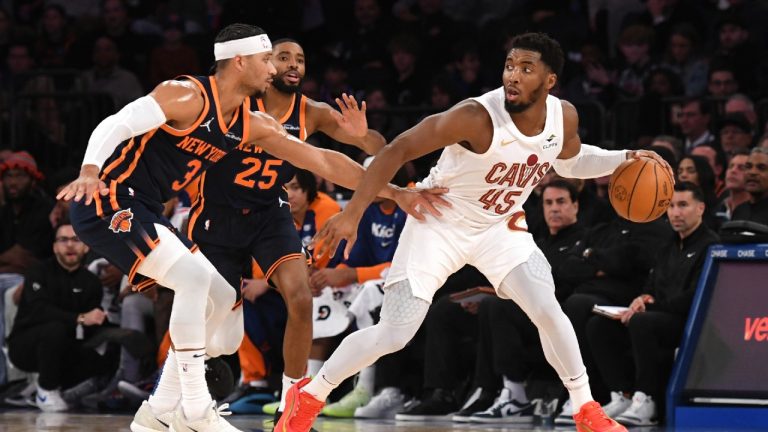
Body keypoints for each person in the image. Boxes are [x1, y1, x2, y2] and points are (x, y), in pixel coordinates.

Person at [278, 32, 673, 432]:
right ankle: (309, 396)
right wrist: (353, 212)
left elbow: (570, 161)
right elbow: (397, 149)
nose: (512, 75)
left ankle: (585, 407)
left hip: (499, 227)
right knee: (395, 333)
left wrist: (625, 158)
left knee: (547, 308)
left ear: (550, 80)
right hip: (439, 222)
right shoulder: (475, 116)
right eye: (509, 66)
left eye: (526, 68)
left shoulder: (563, 116)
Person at [59, 24, 442, 432]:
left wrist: (395, 192)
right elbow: (118, 122)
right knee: (193, 281)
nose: (274, 69)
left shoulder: (251, 123)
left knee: (223, 308)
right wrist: (89, 170)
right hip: (111, 197)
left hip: (161, 209)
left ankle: (157, 411)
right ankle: (194, 411)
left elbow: (323, 162)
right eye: (267, 60)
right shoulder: (187, 94)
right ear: (240, 61)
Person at [188, 38, 393, 422]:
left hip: (270, 211)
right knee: (213, 321)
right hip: (220, 214)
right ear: (266, 64)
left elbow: (379, 148)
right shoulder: (237, 101)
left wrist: (362, 134)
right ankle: (181, 391)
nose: (294, 65)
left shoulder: (311, 112)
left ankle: (291, 407)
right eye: (284, 58)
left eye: (300, 59)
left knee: (300, 298)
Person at [586, 182, 719, 426]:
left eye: (683, 205)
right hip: (658, 315)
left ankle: (647, 399)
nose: (676, 212)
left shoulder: (710, 245)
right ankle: (622, 394)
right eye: (671, 206)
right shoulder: (668, 245)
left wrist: (651, 306)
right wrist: (642, 298)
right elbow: (651, 284)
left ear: (700, 208)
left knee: (641, 322)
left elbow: (695, 297)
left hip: (690, 321)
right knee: (598, 325)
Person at [7, 222, 108, 412]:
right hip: (26, 344)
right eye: (63, 240)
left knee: (104, 346)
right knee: (54, 329)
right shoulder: (38, 272)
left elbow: (91, 321)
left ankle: (56, 388)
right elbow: (40, 310)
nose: (69, 245)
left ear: (86, 247)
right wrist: (79, 318)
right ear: (54, 247)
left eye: (76, 240)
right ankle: (46, 390)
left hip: (67, 346)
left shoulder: (92, 282)